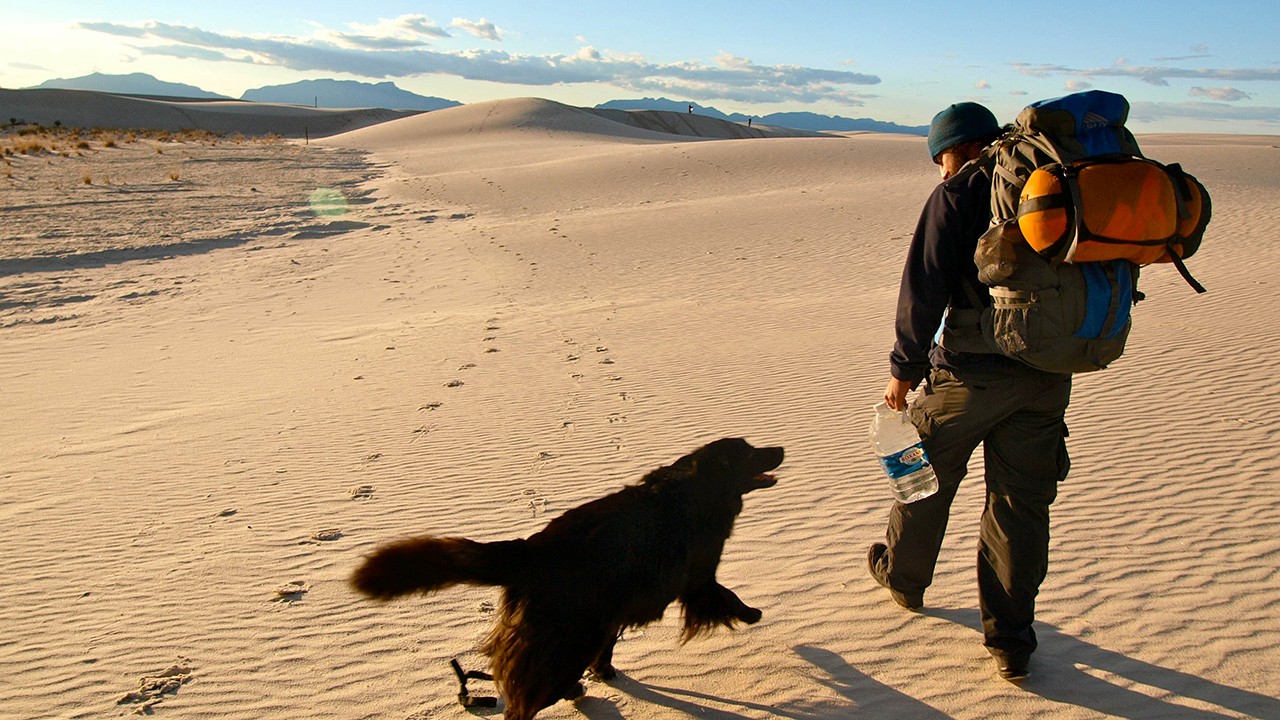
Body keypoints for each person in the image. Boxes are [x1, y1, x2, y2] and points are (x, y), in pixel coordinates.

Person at [867, 102, 1073, 682]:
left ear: (952, 151)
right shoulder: (1051, 185)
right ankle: (1011, 640)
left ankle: (903, 580)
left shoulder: (957, 194)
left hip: (969, 372)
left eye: (940, 159)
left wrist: (903, 372)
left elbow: (923, 288)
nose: (939, 170)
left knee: (921, 476)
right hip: (1048, 374)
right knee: (1020, 505)